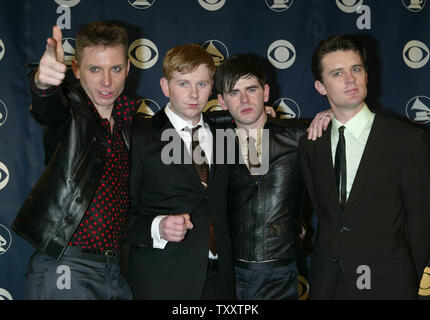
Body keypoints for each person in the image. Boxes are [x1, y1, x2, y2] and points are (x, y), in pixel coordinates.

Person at [299, 35, 430, 299]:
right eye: (337, 73)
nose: (350, 79)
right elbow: (324, 213)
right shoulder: (311, 143)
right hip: (327, 284)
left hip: (388, 284)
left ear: (366, 75)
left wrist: (403, 279)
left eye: (356, 69)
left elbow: (422, 222)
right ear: (320, 86)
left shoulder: (407, 141)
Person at [11, 22, 135, 299]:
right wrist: (43, 82)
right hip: (66, 266)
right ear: (76, 69)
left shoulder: (129, 122)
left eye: (115, 69)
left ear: (127, 68)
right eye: (95, 69)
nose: (106, 81)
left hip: (114, 271)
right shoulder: (71, 112)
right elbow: (48, 106)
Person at [126, 44, 235, 300]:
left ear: (212, 87)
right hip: (163, 278)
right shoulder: (139, 137)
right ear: (165, 87)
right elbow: (120, 215)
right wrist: (158, 226)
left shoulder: (226, 137)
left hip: (222, 280)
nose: (194, 94)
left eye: (202, 84)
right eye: (183, 83)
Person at [215, 54, 307, 300]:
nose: (244, 99)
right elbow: (175, 122)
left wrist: (330, 114)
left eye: (251, 89)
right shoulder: (215, 142)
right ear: (221, 101)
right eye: (234, 93)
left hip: (279, 269)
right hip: (227, 270)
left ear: (265, 92)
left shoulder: (298, 136)